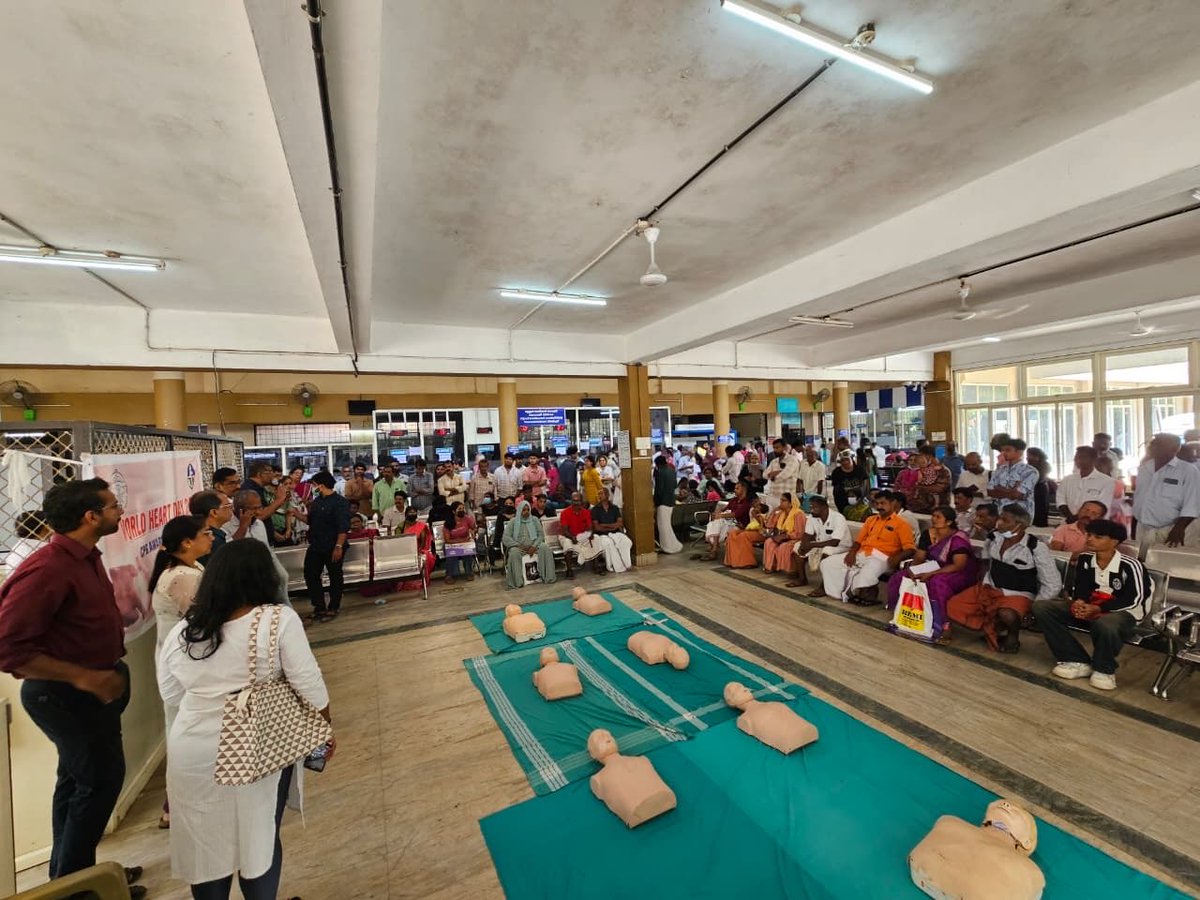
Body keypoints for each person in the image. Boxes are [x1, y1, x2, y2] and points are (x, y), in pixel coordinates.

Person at [157, 539, 332, 900]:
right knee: (260, 834)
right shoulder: (277, 620)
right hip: (259, 741)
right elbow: (309, 684)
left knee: (205, 844)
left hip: (193, 749)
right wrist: (325, 728)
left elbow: (171, 694)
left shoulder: (184, 631)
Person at [0, 479, 146, 895]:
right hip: (65, 696)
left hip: (91, 692)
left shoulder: (85, 557)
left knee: (77, 782)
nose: (120, 512)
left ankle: (71, 878)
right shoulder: (47, 568)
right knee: (99, 782)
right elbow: (8, 647)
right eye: (114, 506)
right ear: (90, 516)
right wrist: (82, 676)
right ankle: (80, 890)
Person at [1034, 519, 1151, 691]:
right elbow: (1081, 587)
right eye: (1089, 534)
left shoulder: (1131, 565)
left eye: (1098, 536)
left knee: (1106, 623)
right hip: (1092, 606)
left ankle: (1104, 669)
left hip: (1124, 612)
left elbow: (1134, 599)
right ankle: (1076, 660)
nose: (1090, 539)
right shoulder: (1085, 558)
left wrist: (1098, 609)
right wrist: (1079, 602)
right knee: (1042, 607)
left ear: (1114, 541)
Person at [947, 503, 1062, 653]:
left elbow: (1052, 583)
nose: (999, 522)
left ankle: (1012, 635)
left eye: (1005, 520)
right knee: (953, 606)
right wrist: (983, 583)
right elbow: (987, 561)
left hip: (1018, 594)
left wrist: (1035, 608)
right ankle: (992, 629)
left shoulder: (1035, 547)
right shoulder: (994, 538)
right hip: (991, 587)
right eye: (1000, 518)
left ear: (1019, 525)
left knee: (1007, 615)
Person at [885, 506, 978, 639]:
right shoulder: (928, 534)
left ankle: (943, 624)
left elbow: (959, 565)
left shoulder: (958, 538)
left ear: (949, 522)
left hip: (957, 571)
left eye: (938, 517)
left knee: (937, 583)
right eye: (933, 516)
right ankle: (900, 614)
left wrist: (931, 573)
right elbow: (920, 557)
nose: (933, 519)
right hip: (933, 567)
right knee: (900, 577)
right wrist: (912, 569)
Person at [819, 491, 916, 605]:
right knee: (828, 563)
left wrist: (896, 558)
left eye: (883, 503)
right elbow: (858, 540)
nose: (879, 506)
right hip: (863, 553)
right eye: (877, 503)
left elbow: (910, 549)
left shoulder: (902, 523)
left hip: (883, 557)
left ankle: (867, 594)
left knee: (867, 573)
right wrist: (852, 553)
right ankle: (839, 593)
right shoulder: (871, 520)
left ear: (892, 503)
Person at [1131, 432, 1200, 556]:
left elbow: (1192, 504)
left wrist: (1178, 529)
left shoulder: (1188, 471)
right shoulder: (1144, 468)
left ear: (1175, 449)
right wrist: (1133, 527)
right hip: (1144, 529)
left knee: (1174, 568)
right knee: (1144, 567)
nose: (1152, 446)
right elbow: (1140, 500)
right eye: (1153, 443)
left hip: (1173, 530)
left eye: (1159, 444)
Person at [304, 471, 351, 624]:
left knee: (334, 575)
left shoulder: (340, 502)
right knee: (311, 574)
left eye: (314, 485)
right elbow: (310, 521)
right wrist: (296, 513)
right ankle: (319, 606)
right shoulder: (317, 502)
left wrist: (339, 546)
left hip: (333, 544)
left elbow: (343, 527)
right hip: (316, 545)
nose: (312, 487)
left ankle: (334, 606)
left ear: (321, 485)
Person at [785, 495, 851, 589]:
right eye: (811, 507)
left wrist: (811, 545)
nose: (811, 510)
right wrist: (803, 545)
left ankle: (823, 586)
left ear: (824, 507)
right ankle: (802, 579)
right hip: (820, 544)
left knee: (827, 551)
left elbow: (834, 542)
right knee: (797, 546)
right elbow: (808, 534)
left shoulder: (838, 518)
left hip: (841, 546)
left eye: (814, 507)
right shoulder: (813, 516)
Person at [502, 499, 557, 589]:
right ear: (519, 510)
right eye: (524, 510)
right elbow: (506, 537)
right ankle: (518, 582)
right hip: (519, 547)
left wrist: (534, 546)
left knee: (545, 548)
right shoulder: (513, 522)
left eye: (528, 510)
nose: (526, 512)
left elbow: (540, 535)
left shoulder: (534, 520)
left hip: (534, 546)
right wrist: (517, 545)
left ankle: (548, 577)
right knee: (514, 553)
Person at [1056, 446, 1116, 523]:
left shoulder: (1107, 481)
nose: (1078, 460)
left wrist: (1077, 518)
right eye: (1076, 457)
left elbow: (1101, 507)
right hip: (1069, 523)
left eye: (1083, 457)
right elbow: (1060, 500)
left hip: (1093, 525)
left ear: (1094, 460)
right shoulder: (1067, 479)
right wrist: (1070, 516)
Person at [697, 481, 753, 561]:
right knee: (714, 522)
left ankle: (713, 548)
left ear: (744, 489)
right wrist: (718, 512)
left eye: (737, 488)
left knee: (717, 522)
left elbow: (736, 514)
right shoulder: (734, 500)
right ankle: (714, 549)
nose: (735, 490)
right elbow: (724, 509)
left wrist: (721, 515)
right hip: (728, 523)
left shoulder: (746, 502)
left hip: (738, 525)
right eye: (735, 488)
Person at [987, 438, 1038, 520]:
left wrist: (1000, 489)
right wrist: (1011, 491)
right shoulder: (1000, 470)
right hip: (1001, 512)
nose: (1004, 453)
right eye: (1003, 450)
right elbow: (990, 492)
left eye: (1008, 450)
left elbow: (1018, 494)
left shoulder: (1030, 471)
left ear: (1019, 452)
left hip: (1021, 515)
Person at [590, 487, 634, 574]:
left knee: (626, 541)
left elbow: (619, 524)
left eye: (601, 493)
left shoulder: (614, 508)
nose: (599, 495)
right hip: (601, 535)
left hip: (616, 533)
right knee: (608, 544)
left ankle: (627, 564)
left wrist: (605, 525)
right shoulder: (595, 509)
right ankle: (613, 565)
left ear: (607, 495)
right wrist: (612, 526)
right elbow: (597, 527)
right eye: (598, 494)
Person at [559, 491, 602, 578]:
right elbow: (565, 530)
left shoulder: (586, 512)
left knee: (596, 538)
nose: (576, 503)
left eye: (578, 501)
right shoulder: (565, 513)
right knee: (567, 543)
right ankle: (569, 570)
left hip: (581, 536)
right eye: (574, 501)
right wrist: (572, 537)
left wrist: (590, 534)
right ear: (571, 501)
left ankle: (596, 566)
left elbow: (590, 527)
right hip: (567, 535)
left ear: (581, 502)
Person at [761, 493, 805, 575]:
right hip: (782, 537)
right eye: (780, 500)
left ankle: (791, 570)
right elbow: (769, 525)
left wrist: (787, 536)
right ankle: (771, 566)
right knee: (769, 542)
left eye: (783, 500)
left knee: (784, 547)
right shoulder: (781, 513)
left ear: (790, 503)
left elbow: (800, 533)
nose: (780, 502)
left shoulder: (798, 514)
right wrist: (774, 511)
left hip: (795, 539)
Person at [189, 490, 233, 564]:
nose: (232, 509)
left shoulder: (195, 533)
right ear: (214, 512)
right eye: (228, 505)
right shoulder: (212, 542)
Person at [724, 501, 771, 568]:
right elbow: (750, 525)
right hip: (749, 530)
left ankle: (747, 562)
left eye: (758, 507)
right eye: (756, 506)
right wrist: (742, 526)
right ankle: (733, 561)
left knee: (743, 535)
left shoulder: (762, 516)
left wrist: (755, 516)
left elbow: (764, 526)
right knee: (732, 533)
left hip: (760, 533)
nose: (756, 508)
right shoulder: (752, 512)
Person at [653, 455, 683, 554]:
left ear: (658, 464)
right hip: (671, 500)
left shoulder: (659, 472)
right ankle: (672, 545)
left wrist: (655, 502)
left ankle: (667, 547)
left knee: (663, 526)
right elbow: (675, 485)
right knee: (667, 525)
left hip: (663, 502)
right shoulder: (672, 471)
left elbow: (659, 489)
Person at [443, 501, 478, 585]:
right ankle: (450, 575)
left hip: (465, 543)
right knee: (452, 553)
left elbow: (474, 528)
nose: (462, 510)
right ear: (454, 511)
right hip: (451, 544)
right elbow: (447, 540)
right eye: (459, 509)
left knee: (467, 551)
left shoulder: (467, 518)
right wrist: (462, 541)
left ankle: (469, 572)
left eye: (463, 508)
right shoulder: (448, 522)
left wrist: (473, 531)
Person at [763, 438, 801, 511]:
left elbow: (784, 475)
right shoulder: (774, 461)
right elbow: (764, 475)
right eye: (774, 448)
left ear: (784, 447)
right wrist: (776, 473)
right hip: (773, 497)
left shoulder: (792, 460)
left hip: (787, 499)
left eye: (777, 447)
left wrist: (774, 474)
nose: (775, 450)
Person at [830, 450, 870, 514]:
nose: (845, 462)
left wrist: (862, 498)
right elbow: (836, 490)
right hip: (843, 502)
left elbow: (866, 486)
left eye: (847, 459)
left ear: (852, 459)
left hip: (860, 500)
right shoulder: (836, 472)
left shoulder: (860, 470)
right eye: (843, 460)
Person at [1024, 447, 1053, 527]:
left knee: (1040, 510)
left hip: (1040, 489)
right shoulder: (1028, 466)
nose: (1028, 458)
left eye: (1030, 455)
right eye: (1027, 456)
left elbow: (1039, 478)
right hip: (1031, 490)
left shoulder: (1044, 466)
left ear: (1037, 456)